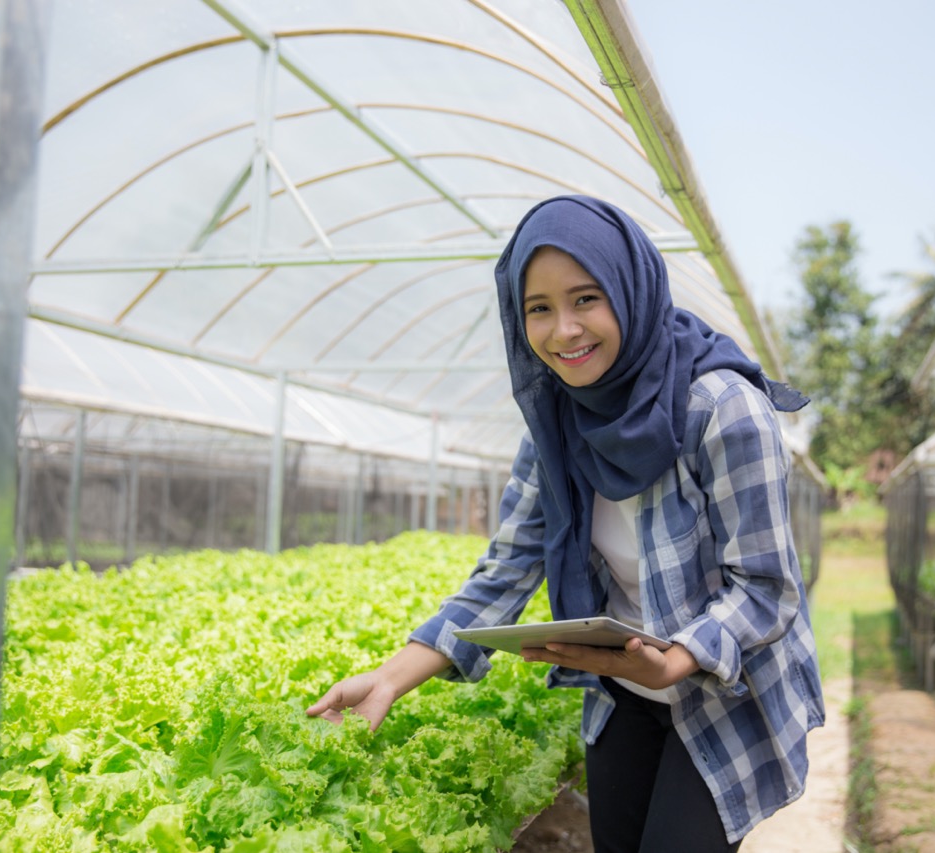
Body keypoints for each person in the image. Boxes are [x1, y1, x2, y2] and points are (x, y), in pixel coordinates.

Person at [307, 195, 824, 853]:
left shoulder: (723, 409)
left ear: (630, 290)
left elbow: (765, 589)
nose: (563, 331)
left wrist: (680, 659)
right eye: (539, 308)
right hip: (625, 686)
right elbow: (507, 568)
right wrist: (389, 677)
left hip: (726, 689)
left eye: (586, 299)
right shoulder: (556, 419)